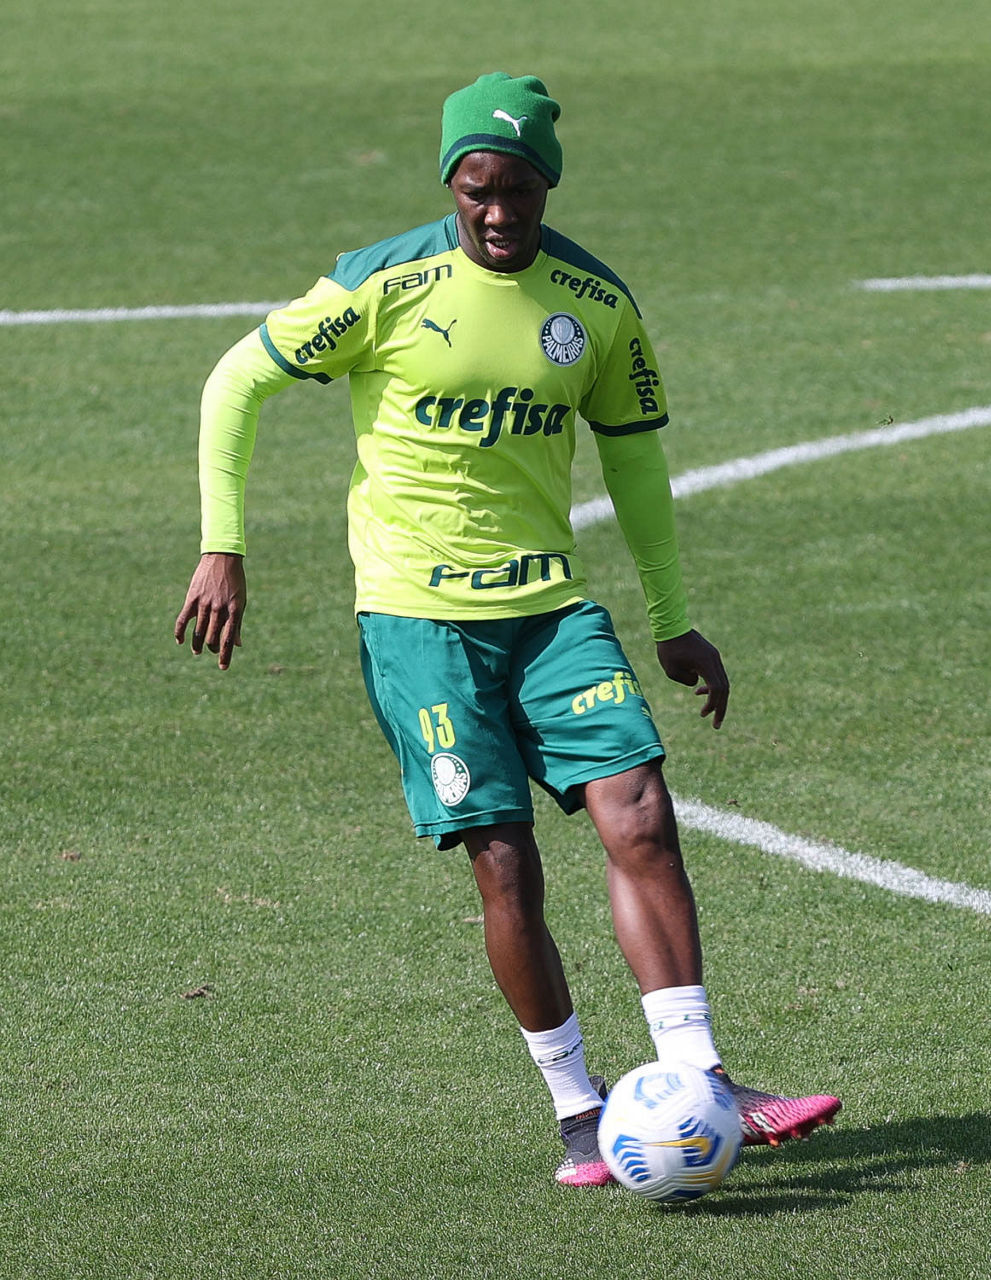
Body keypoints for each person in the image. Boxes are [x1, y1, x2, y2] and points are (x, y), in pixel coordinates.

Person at [174, 72, 841, 1187]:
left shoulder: (595, 304)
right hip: (418, 622)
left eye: (517, 190)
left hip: (550, 611)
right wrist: (221, 544)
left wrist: (672, 621)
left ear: (547, 185)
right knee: (504, 860)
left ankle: (702, 1077)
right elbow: (236, 380)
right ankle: (579, 1110)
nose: (496, 212)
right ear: (451, 183)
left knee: (640, 814)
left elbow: (635, 462)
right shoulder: (381, 283)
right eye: (475, 189)